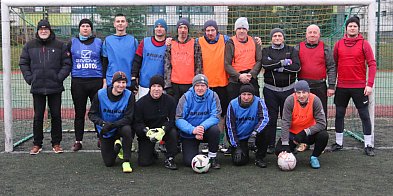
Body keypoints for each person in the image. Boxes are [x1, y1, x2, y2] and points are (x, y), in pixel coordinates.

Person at [19, 19, 72, 155]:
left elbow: (67, 64)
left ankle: (56, 143)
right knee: (38, 117)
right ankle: (37, 144)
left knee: (56, 115)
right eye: (41, 29)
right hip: (37, 87)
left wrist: (58, 77)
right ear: (38, 31)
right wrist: (30, 79)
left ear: (50, 30)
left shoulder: (60, 45)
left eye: (46, 29)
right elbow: (23, 63)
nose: (43, 31)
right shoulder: (29, 45)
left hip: (55, 87)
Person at [331, 16, 377, 156]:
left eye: (355, 26)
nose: (352, 28)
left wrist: (369, 84)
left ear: (358, 28)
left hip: (359, 87)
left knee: (364, 115)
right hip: (342, 87)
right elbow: (334, 65)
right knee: (339, 114)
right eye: (350, 26)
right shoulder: (338, 44)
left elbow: (372, 64)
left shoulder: (364, 44)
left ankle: (368, 144)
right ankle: (339, 143)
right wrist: (332, 84)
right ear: (346, 28)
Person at [261, 28, 300, 154]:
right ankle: (270, 144)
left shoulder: (291, 50)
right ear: (271, 38)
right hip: (270, 90)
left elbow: (296, 67)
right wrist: (283, 63)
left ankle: (287, 143)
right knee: (271, 119)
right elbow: (266, 64)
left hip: (289, 90)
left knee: (287, 118)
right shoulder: (266, 50)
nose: (277, 38)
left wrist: (277, 67)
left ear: (283, 38)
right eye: (275, 36)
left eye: (279, 35)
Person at [67, 18, 104, 152]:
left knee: (97, 111)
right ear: (79, 28)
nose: (85, 28)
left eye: (88, 26)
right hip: (78, 81)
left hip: (96, 81)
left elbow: (104, 61)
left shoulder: (99, 42)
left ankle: (101, 138)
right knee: (79, 112)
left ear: (91, 29)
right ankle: (78, 140)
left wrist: (104, 79)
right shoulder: (72, 42)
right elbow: (66, 61)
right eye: (83, 26)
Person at [88, 71, 135, 173]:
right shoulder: (100, 94)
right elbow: (91, 114)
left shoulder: (129, 95)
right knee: (109, 163)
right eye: (118, 82)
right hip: (105, 129)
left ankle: (126, 160)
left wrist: (112, 125)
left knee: (127, 130)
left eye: (123, 83)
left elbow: (128, 118)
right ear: (112, 83)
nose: (121, 85)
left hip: (119, 127)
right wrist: (102, 123)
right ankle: (118, 146)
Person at [275, 80, 328, 169]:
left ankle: (314, 157)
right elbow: (285, 122)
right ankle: (292, 150)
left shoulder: (315, 100)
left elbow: (322, 123)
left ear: (308, 92)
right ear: (295, 93)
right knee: (278, 151)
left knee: (323, 135)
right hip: (293, 134)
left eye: (304, 92)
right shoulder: (290, 100)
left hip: (309, 134)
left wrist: (305, 132)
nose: (301, 95)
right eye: (298, 93)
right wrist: (285, 143)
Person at [176, 74, 222, 169]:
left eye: (203, 85)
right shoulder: (185, 97)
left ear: (207, 86)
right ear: (193, 86)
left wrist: (202, 127)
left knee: (215, 130)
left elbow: (216, 116)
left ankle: (212, 157)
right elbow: (179, 118)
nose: (200, 88)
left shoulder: (213, 96)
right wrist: (193, 130)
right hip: (190, 132)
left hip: (205, 130)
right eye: (197, 85)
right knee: (189, 162)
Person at [133, 75, 178, 170]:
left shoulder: (170, 101)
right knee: (144, 163)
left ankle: (170, 158)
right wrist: (146, 131)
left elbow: (172, 120)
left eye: (159, 86)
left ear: (163, 88)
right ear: (150, 88)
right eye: (154, 86)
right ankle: (151, 152)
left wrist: (163, 129)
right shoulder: (140, 103)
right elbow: (137, 123)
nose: (156, 89)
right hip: (148, 134)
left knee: (173, 132)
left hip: (164, 131)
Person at [295, 24, 336, 125]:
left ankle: (321, 135)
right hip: (303, 87)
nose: (312, 35)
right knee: (302, 112)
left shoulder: (325, 48)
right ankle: (303, 135)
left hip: (320, 86)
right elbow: (293, 66)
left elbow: (331, 67)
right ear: (306, 34)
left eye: (315, 32)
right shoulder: (298, 48)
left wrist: (331, 86)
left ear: (319, 34)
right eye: (310, 32)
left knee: (320, 112)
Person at [226, 84, 269, 167]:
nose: (246, 97)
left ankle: (259, 157)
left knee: (266, 130)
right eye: (244, 94)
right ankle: (240, 149)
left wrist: (254, 133)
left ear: (253, 95)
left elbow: (265, 119)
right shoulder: (232, 104)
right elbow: (230, 127)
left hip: (254, 135)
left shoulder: (259, 101)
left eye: (249, 94)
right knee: (239, 162)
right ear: (240, 94)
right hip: (240, 137)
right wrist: (236, 145)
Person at [164, 18, 202, 104]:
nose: (183, 30)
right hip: (175, 84)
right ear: (177, 30)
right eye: (180, 27)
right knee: (175, 108)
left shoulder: (194, 44)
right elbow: (167, 65)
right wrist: (168, 85)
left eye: (185, 28)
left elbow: (198, 65)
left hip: (190, 83)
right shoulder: (171, 44)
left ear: (188, 30)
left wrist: (197, 83)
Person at [224, 17, 262, 101]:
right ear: (235, 30)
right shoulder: (230, 43)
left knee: (254, 103)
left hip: (251, 77)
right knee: (234, 105)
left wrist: (251, 74)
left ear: (247, 30)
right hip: (235, 79)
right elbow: (227, 64)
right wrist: (239, 76)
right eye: (239, 28)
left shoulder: (255, 42)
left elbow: (259, 60)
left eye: (244, 28)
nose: (241, 31)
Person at [131, 19, 168, 100]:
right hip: (145, 84)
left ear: (165, 29)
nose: (159, 29)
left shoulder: (169, 44)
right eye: (157, 27)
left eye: (162, 27)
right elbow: (137, 61)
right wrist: (133, 77)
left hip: (161, 86)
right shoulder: (145, 42)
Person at [102, 13, 138, 91]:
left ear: (126, 24)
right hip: (112, 80)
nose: (120, 23)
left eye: (122, 21)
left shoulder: (133, 41)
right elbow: (104, 62)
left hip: (128, 81)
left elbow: (136, 62)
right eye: (118, 21)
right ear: (114, 24)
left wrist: (135, 79)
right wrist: (104, 81)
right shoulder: (107, 41)